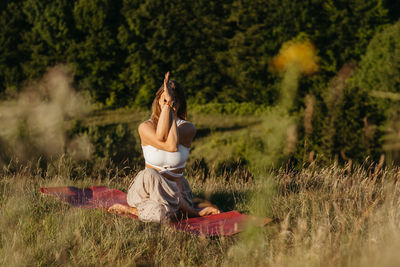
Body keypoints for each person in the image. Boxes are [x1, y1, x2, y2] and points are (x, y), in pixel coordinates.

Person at [109, 72, 220, 222]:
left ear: (179, 104)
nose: (169, 104)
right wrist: (167, 107)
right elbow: (163, 139)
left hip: (176, 191)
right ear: (158, 102)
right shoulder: (145, 127)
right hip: (146, 190)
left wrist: (169, 109)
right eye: (164, 101)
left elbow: (172, 145)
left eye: (174, 102)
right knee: (151, 174)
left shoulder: (188, 128)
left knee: (161, 214)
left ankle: (141, 211)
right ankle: (188, 211)